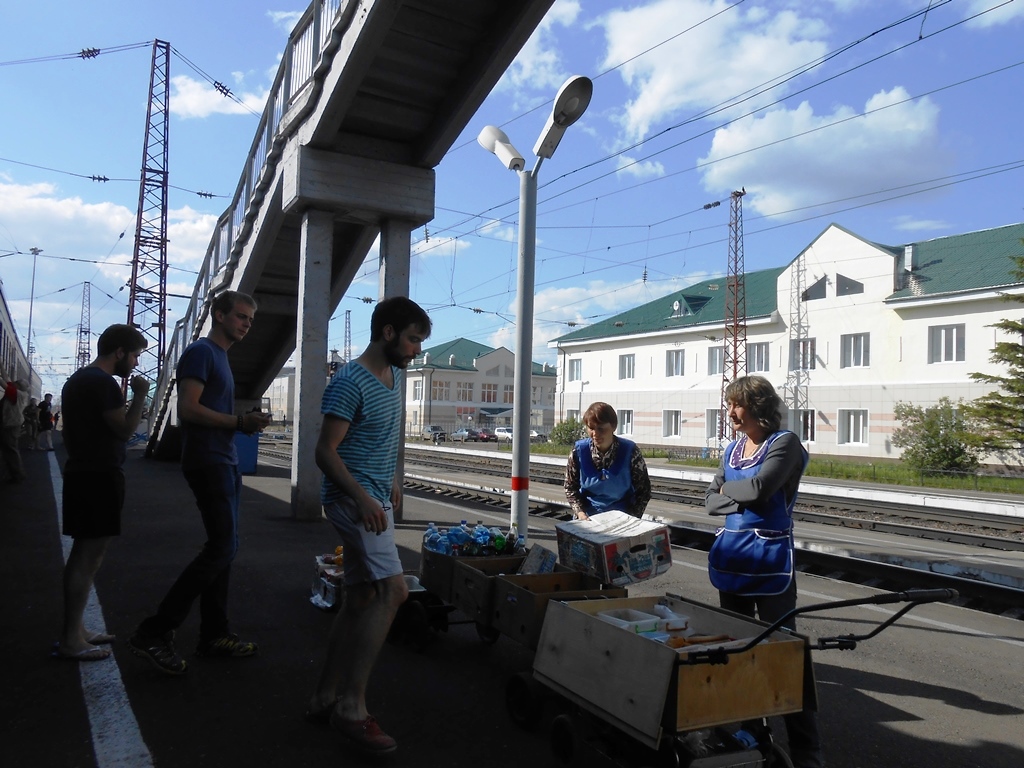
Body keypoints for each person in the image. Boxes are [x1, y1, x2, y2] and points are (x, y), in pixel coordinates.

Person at [305, 296, 431, 757]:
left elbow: (382, 435)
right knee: (393, 591)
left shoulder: (393, 376)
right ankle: (351, 708)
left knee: (360, 596)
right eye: (414, 338)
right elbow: (325, 452)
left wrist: (393, 477)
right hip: (353, 502)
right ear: (388, 332)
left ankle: (323, 697)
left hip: (376, 497)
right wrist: (362, 497)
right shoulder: (349, 382)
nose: (417, 349)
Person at [129, 290, 271, 676]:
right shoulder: (201, 352)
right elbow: (188, 410)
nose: (246, 323)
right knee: (222, 547)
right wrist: (240, 423)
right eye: (241, 316)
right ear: (219, 315)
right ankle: (155, 631)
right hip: (208, 461)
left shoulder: (220, 357)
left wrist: (244, 420)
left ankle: (214, 634)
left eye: (250, 319)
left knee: (224, 548)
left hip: (223, 460)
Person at [704, 375, 823, 768]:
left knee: (783, 655)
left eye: (738, 404)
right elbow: (709, 501)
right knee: (738, 650)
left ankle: (807, 752)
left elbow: (759, 489)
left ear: (758, 406)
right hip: (733, 560)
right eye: (729, 404)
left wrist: (728, 494)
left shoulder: (784, 443)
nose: (731, 412)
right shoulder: (733, 448)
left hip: (770, 563)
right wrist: (731, 495)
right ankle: (752, 729)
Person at [55, 324, 150, 661]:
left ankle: (77, 630)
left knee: (85, 554)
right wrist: (139, 394)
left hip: (83, 472)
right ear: (120, 352)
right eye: (136, 355)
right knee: (88, 557)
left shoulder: (79, 379)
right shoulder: (102, 383)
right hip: (98, 477)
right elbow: (125, 430)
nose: (137, 363)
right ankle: (70, 638)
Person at [564, 401, 651, 520]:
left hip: (622, 517)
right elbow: (570, 487)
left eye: (601, 429)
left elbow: (644, 491)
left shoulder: (631, 452)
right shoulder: (578, 451)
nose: (595, 434)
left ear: (613, 427)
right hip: (588, 518)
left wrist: (631, 518)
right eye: (591, 428)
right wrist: (580, 513)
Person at [1, 370, 30, 483]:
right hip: (11, 424)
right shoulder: (17, 392)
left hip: (10, 425)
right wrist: (1, 365)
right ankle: (14, 473)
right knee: (9, 449)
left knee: (11, 449)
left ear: (19, 386)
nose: (13, 382)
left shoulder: (16, 394)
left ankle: (17, 474)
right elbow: (6, 378)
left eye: (16, 382)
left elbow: (3, 383)